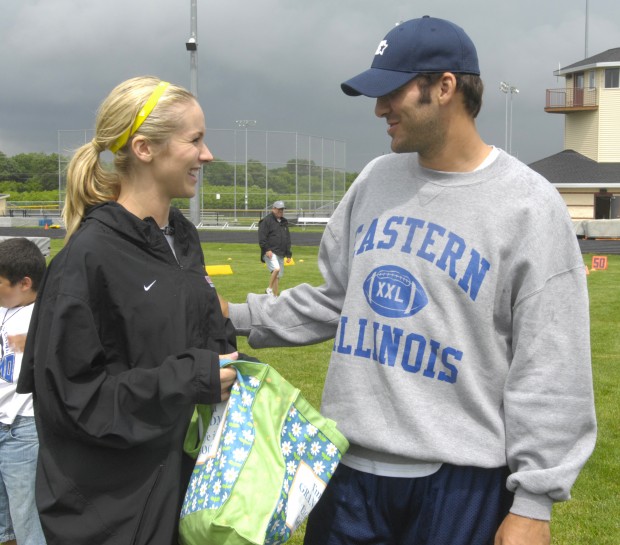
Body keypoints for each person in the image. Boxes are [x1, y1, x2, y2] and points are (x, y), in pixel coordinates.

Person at [224, 16, 597, 545]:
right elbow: (335, 299)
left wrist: (534, 503)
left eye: (392, 92)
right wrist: (234, 317)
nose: (379, 109)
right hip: (348, 479)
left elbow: (552, 363)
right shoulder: (376, 180)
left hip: (458, 488)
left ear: (444, 87)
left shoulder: (529, 206)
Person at [16, 76, 238, 545]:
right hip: (113, 515)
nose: (207, 155)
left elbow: (191, 340)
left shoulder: (182, 238)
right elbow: (72, 403)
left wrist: (226, 359)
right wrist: (189, 377)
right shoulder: (87, 257)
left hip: (180, 495)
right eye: (195, 140)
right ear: (144, 148)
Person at [0, 238, 47, 545]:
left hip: (23, 430)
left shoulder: (47, 317)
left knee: (26, 518)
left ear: (25, 283)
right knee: (5, 520)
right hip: (2, 424)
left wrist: (39, 344)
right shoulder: (6, 306)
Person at [258, 200, 292, 296]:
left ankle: (276, 295)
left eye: (282, 209)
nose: (281, 211)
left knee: (277, 276)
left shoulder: (284, 222)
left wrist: (288, 254)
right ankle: (269, 289)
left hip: (280, 252)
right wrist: (267, 249)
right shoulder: (266, 221)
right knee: (276, 269)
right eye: (279, 209)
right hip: (270, 252)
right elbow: (262, 237)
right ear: (273, 209)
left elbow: (287, 238)